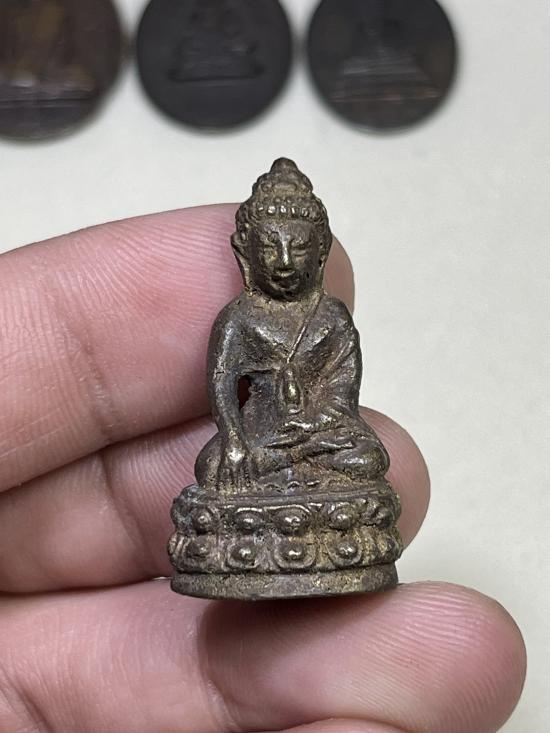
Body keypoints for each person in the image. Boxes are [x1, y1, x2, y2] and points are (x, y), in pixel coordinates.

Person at [0, 203, 526, 732]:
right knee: (214, 467)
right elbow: (222, 386)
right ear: (245, 254)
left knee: (368, 456)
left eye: (298, 247)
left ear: (319, 253)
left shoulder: (330, 318)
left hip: (320, 432)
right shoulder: (240, 318)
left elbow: (342, 394)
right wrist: (234, 440)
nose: (284, 260)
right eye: (270, 247)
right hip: (258, 434)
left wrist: (315, 427)